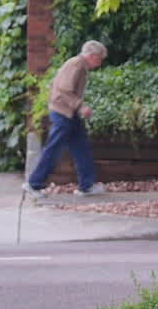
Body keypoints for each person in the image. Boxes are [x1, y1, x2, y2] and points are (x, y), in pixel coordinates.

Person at [21, 40, 108, 199]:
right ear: (92, 55)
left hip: (68, 112)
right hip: (62, 112)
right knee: (54, 149)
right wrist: (80, 106)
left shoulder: (80, 65)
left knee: (81, 147)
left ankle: (86, 186)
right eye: (99, 58)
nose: (100, 62)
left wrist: (77, 107)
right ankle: (33, 184)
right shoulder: (76, 64)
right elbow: (63, 89)